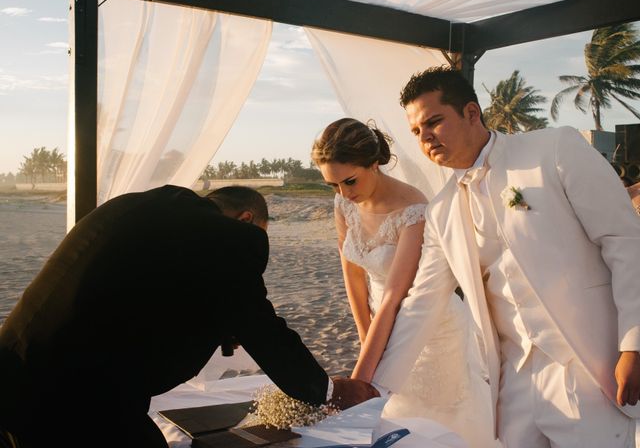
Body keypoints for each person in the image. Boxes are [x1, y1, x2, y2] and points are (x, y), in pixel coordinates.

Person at [372, 66, 640, 447]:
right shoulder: (441, 210)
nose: (425, 137)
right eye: (416, 131)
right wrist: (375, 387)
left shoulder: (553, 150)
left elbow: (625, 242)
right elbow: (421, 304)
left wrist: (635, 344)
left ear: (470, 113)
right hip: (513, 380)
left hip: (590, 366)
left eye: (434, 121)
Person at [0, 184, 378, 448]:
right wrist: (329, 390)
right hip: (77, 402)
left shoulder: (141, 205)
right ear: (247, 220)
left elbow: (145, 293)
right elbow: (264, 330)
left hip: (12, 373)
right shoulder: (231, 239)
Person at [311, 118, 497, 447]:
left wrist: (360, 379)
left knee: (430, 422)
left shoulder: (413, 209)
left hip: (428, 329)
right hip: (375, 321)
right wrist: (365, 335)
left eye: (350, 181)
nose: (343, 193)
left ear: (374, 163)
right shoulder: (344, 204)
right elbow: (353, 275)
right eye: (333, 185)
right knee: (390, 416)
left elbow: (395, 297)